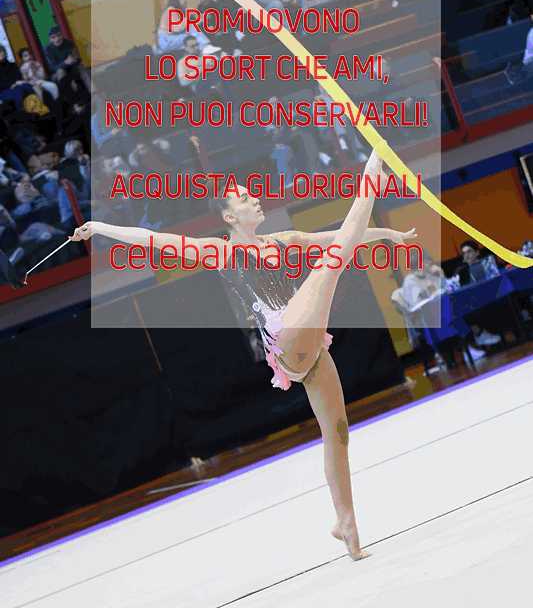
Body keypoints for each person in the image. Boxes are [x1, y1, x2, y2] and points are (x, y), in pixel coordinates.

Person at [70, 149, 417, 561]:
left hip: (309, 346)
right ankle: (372, 173)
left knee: (337, 432)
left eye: (252, 195)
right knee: (332, 264)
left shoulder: (283, 241)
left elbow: (341, 236)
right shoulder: (222, 252)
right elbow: (155, 240)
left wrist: (388, 235)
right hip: (288, 339)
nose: (254, 199)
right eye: (243, 198)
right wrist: (100, 226)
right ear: (229, 216)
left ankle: (345, 522)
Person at [45, 26, 90, 94]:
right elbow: (53, 68)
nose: (57, 39)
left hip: (72, 67)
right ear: (50, 39)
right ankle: (71, 98)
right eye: (53, 37)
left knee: (81, 67)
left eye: (58, 35)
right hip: (59, 71)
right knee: (61, 72)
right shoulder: (48, 49)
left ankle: (93, 92)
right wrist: (65, 63)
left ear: (62, 35)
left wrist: (75, 59)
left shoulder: (69, 43)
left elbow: (77, 59)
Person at [0, 45, 33, 110]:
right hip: (4, 90)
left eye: (1, 51)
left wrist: (15, 83)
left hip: (17, 85)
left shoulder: (13, 65)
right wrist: (11, 84)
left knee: (27, 87)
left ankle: (37, 108)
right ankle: (22, 112)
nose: (0, 54)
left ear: (4, 52)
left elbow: (18, 76)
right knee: (18, 92)